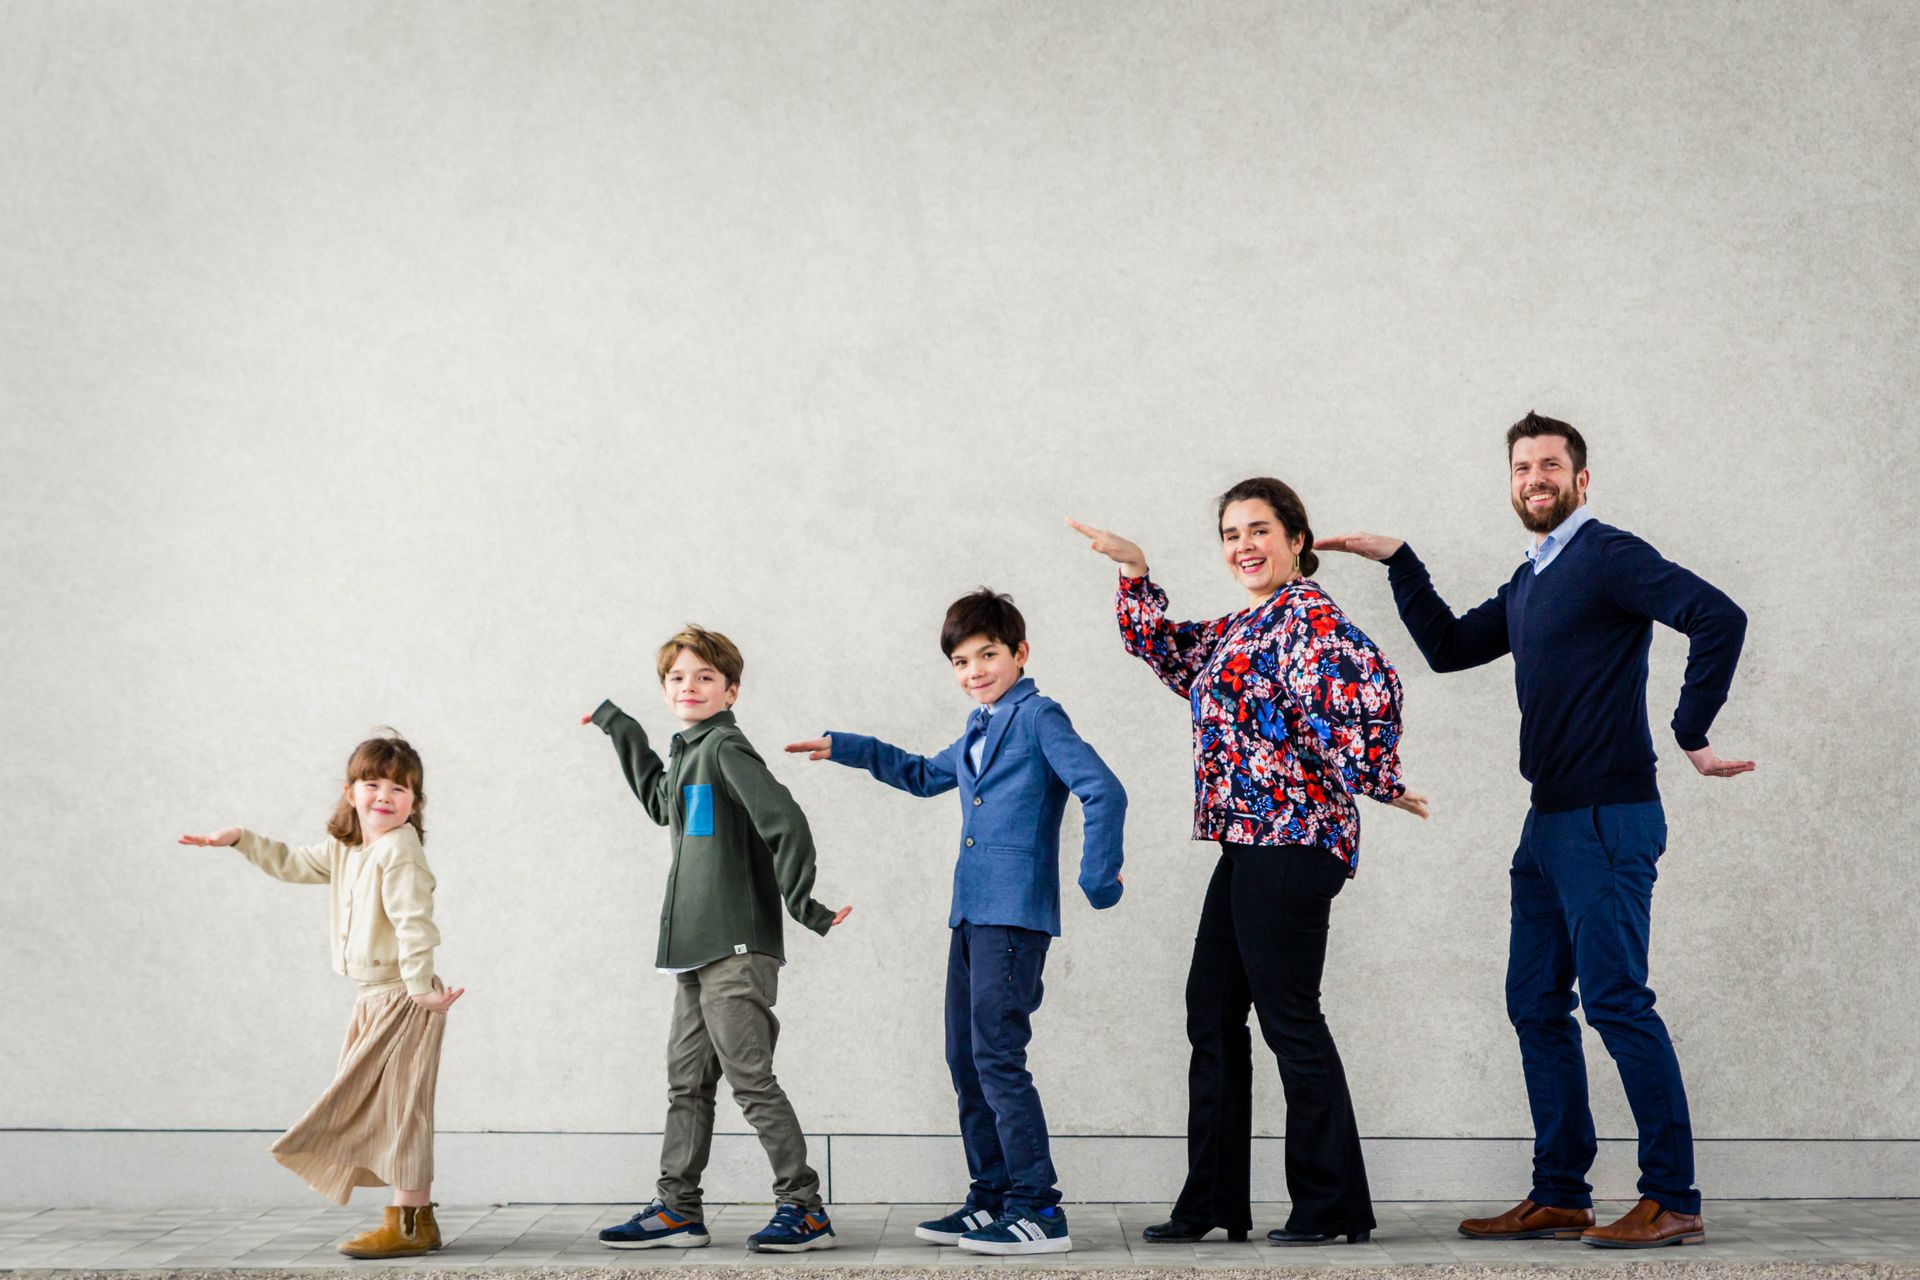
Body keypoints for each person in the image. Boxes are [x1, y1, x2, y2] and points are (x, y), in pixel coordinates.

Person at [1317, 411, 1750, 1249]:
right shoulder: (1532, 579)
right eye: (1522, 469)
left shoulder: (1606, 554)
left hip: (1606, 817)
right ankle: (1562, 1192)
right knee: (1535, 1004)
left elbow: (1717, 616)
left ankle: (1674, 1197)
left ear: (1581, 480)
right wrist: (1400, 562)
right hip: (1546, 823)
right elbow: (1446, 648)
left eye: (1550, 466)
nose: (1535, 479)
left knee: (1618, 1004)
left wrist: (1691, 732)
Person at [1069, 478, 1425, 1247]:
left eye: (1259, 530)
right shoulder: (1246, 626)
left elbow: (1369, 689)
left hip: (1294, 840)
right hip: (1249, 841)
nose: (1244, 546)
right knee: (1212, 1013)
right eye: (1231, 534)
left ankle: (1330, 1209)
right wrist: (1135, 571)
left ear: (1297, 539)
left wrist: (1377, 778)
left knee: (1289, 1019)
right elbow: (1166, 649)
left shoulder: (1308, 619)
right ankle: (1214, 1202)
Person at [787, 588, 1126, 1256]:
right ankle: (992, 1196)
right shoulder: (979, 726)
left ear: (1019, 653)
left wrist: (1097, 876)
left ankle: (1037, 1208)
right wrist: (848, 746)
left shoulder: (1038, 716)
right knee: (965, 1058)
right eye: (962, 660)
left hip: (1013, 915)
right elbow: (920, 775)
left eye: (988, 654)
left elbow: (1103, 789)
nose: (975, 670)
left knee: (998, 1057)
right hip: (970, 914)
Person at [584, 624, 851, 1253]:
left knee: (750, 1080)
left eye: (705, 677)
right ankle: (678, 1209)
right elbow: (660, 803)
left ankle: (804, 1208)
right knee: (686, 1082)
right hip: (696, 952)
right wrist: (620, 728)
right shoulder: (688, 751)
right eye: (677, 677)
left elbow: (786, 821)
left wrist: (803, 904)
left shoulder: (725, 747)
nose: (689, 686)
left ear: (730, 691)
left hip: (735, 947)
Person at [178, 732, 462, 1259]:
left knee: (404, 1111)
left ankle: (407, 1224)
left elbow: (414, 925)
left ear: (414, 804)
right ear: (350, 792)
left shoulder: (401, 851)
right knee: (381, 1109)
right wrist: (240, 838)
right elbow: (293, 863)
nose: (384, 796)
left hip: (404, 997)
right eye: (372, 784)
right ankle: (414, 1219)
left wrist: (421, 989)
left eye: (399, 789)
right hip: (372, 997)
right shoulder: (350, 848)